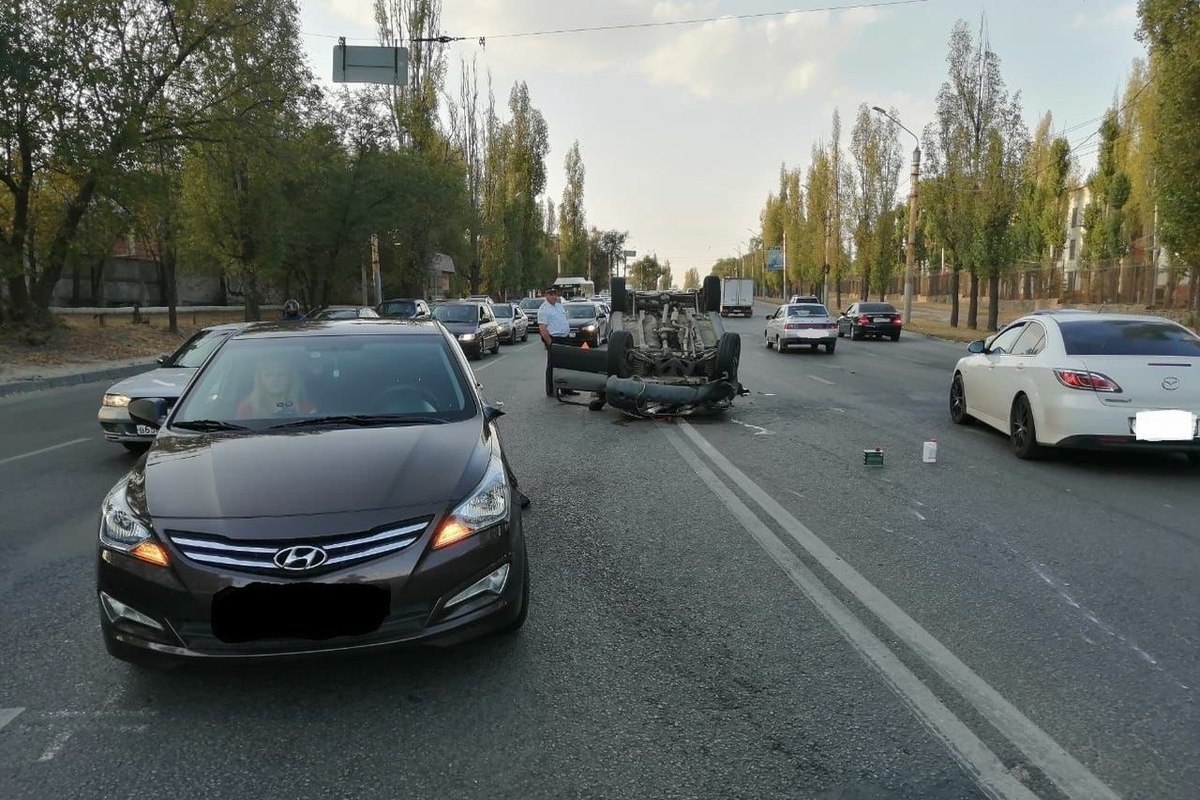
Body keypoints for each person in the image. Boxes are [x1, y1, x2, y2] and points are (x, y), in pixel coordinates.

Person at [236, 356, 315, 419]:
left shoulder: (305, 408)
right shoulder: (248, 408)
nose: (275, 379)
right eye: (268, 374)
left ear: (290, 378)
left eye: (281, 374)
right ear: (260, 379)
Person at [536, 286, 576, 398]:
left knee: (567, 364)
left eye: (555, 294)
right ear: (546, 295)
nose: (554, 296)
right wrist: (550, 343)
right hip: (555, 339)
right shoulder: (543, 309)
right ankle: (551, 390)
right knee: (553, 365)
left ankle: (566, 389)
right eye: (551, 294)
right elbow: (543, 328)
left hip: (565, 338)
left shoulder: (559, 306)